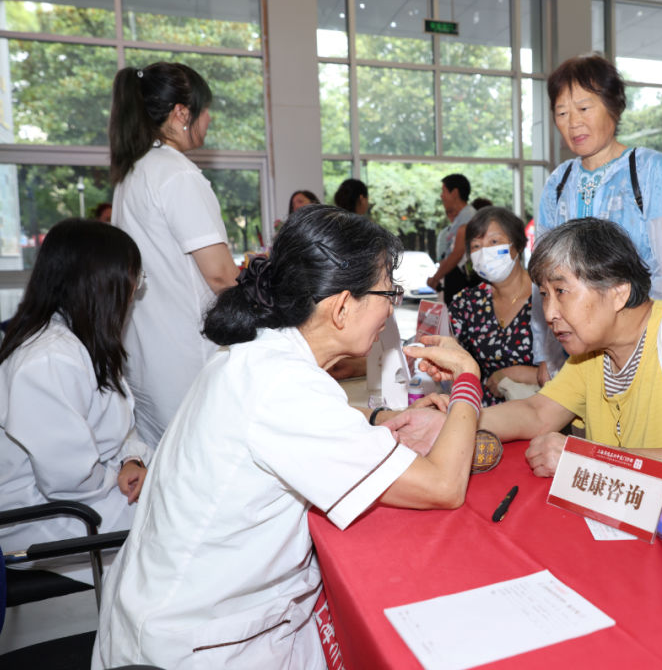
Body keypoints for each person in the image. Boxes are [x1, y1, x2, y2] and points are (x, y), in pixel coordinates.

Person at [93, 205, 484, 669]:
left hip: (175, 610)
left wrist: (379, 419)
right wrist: (468, 379)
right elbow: (443, 486)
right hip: (197, 646)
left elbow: (301, 422)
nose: (392, 305)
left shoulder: (259, 353)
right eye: (387, 291)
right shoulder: (285, 385)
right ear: (342, 306)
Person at [391, 218, 662, 478]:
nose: (550, 313)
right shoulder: (592, 353)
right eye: (545, 295)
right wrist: (452, 422)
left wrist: (593, 459)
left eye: (561, 292)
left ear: (618, 292)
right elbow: (537, 412)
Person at [0, 219, 151, 581]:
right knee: (186, 526)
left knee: (187, 506)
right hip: (40, 515)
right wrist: (121, 475)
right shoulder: (49, 359)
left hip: (80, 494)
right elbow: (70, 480)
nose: (135, 288)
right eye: (134, 277)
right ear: (102, 283)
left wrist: (131, 459)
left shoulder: (81, 340)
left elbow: (119, 425)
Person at [533, 54, 662, 386]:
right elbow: (544, 281)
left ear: (613, 107)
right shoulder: (558, 182)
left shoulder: (648, 169)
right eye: (562, 113)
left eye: (584, 108)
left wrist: (657, 347)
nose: (573, 122)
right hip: (575, 352)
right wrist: (548, 354)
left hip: (638, 346)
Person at [108, 61, 240, 448]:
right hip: (186, 358)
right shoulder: (177, 174)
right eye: (206, 108)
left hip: (146, 355)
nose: (209, 118)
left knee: (165, 466)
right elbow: (220, 275)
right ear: (182, 112)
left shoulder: (133, 173)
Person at [449, 207, 537, 405]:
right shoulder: (468, 303)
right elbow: (447, 350)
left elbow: (568, 371)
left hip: (540, 410)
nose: (484, 252)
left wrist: (515, 373)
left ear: (517, 245)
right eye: (476, 246)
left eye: (494, 242)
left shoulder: (547, 298)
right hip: (483, 412)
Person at [426, 173, 477, 304]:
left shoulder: (468, 217)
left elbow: (457, 253)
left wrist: (436, 278)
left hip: (464, 285)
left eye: (444, 191)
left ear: (454, 193)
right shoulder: (460, 219)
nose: (441, 196)